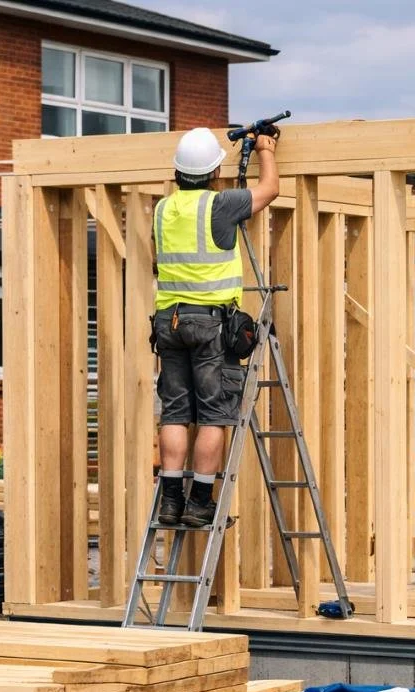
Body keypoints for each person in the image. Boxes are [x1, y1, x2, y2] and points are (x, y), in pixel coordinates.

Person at [152, 126, 279, 527]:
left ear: (177, 172)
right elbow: (269, 189)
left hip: (168, 322)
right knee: (213, 415)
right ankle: (200, 502)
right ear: (213, 173)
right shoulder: (219, 205)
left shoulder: (162, 208)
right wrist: (265, 150)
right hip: (210, 324)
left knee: (174, 413)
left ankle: (171, 501)